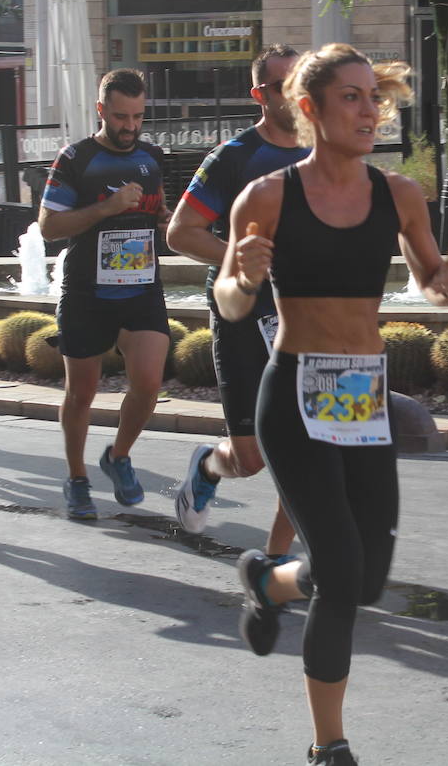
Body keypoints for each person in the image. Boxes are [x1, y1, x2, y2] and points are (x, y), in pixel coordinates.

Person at [215, 44, 448, 766]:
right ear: (310, 109)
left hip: (361, 397)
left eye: (372, 97)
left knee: (365, 578)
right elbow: (230, 305)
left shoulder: (398, 194)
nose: (368, 110)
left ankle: (266, 578)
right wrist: (244, 275)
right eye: (351, 98)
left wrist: (447, 284)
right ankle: (331, 744)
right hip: (294, 394)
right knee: (338, 562)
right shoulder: (266, 197)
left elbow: (428, 276)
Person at [165, 44, 302, 557]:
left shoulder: (327, 154)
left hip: (305, 319)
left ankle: (279, 558)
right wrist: (242, 260)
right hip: (244, 315)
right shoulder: (235, 157)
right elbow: (181, 232)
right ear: (258, 95)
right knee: (250, 459)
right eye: (279, 85)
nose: (292, 93)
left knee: (310, 442)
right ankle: (207, 466)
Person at [37, 68, 172, 520]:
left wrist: (167, 223)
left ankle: (117, 455)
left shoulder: (151, 156)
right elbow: (49, 226)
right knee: (82, 393)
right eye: (120, 116)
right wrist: (106, 208)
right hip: (86, 290)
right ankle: (76, 478)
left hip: (141, 285)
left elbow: (158, 212)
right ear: (101, 111)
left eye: (137, 116)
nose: (130, 126)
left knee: (149, 383)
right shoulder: (75, 158)